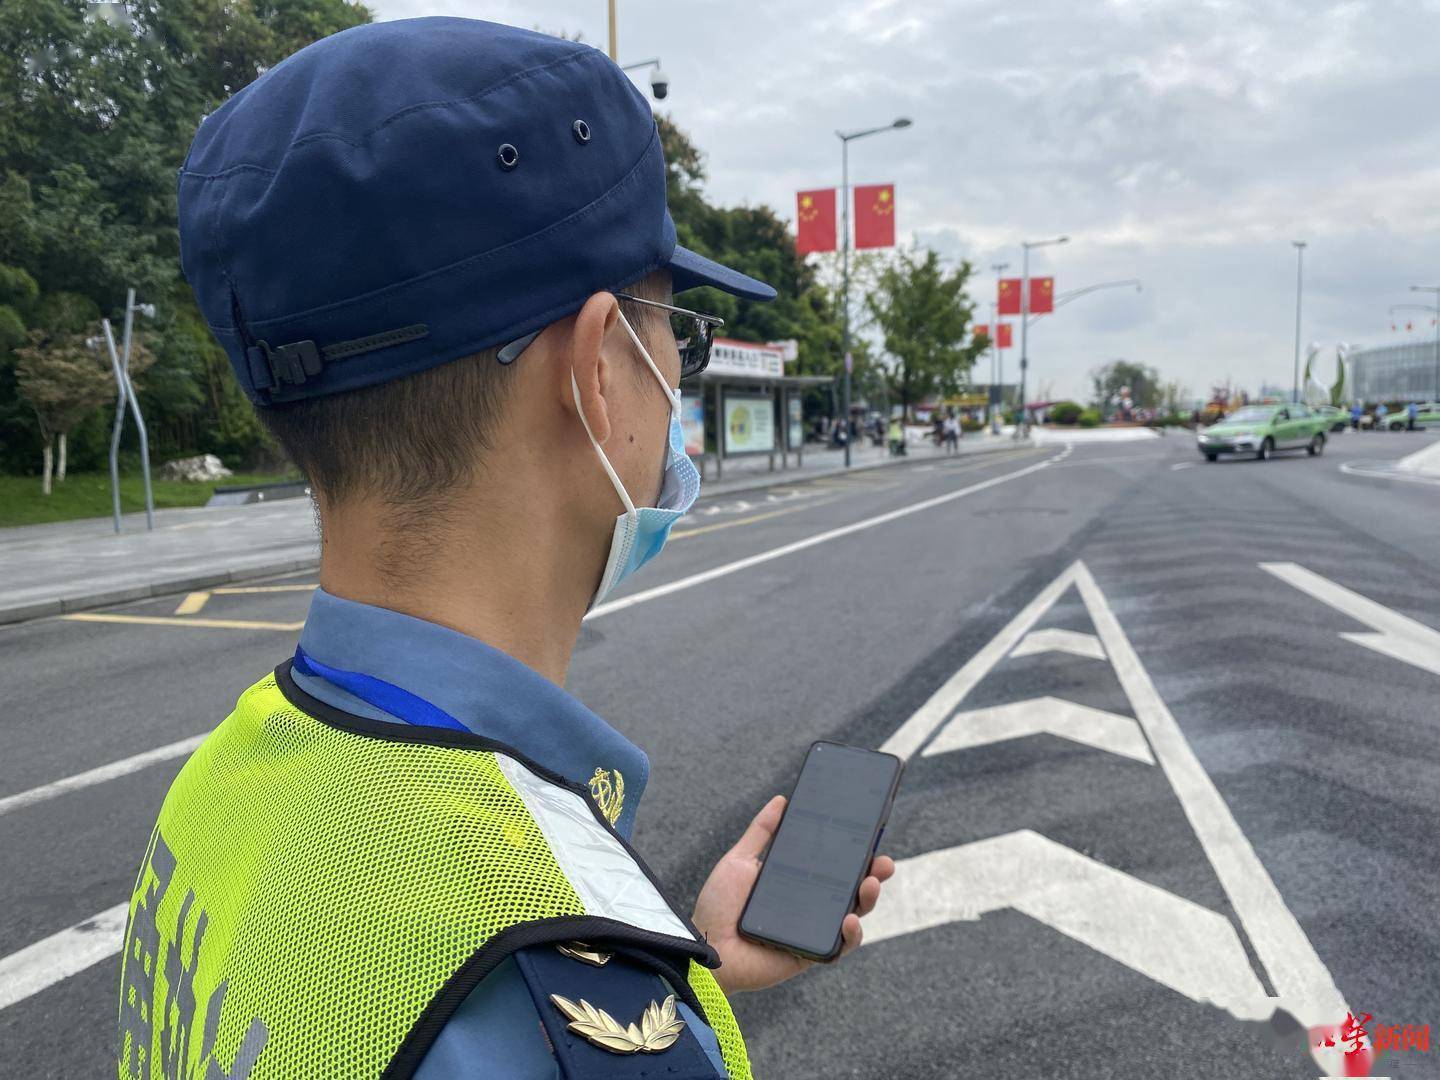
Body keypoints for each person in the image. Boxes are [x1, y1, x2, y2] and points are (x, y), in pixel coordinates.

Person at [118, 19, 894, 1080]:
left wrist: (686, 969)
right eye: (679, 333)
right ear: (600, 370)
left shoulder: (222, 781)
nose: (680, 375)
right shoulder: (558, 1003)